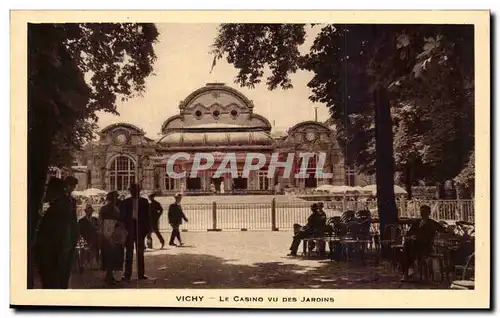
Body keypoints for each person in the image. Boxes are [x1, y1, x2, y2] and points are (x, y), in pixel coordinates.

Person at [34, 177, 73, 288]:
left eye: (48, 189)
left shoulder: (57, 209)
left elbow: (55, 236)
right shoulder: (60, 206)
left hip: (52, 257)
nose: (46, 192)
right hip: (55, 257)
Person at [401, 205, 447, 281]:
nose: (422, 213)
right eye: (421, 212)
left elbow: (443, 231)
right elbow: (409, 233)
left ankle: (410, 269)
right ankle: (408, 270)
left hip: (426, 246)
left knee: (408, 248)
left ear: (428, 213)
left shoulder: (432, 223)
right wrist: (411, 237)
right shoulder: (417, 222)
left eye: (424, 212)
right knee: (407, 246)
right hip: (414, 244)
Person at [120, 183, 152, 281]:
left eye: (136, 190)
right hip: (129, 229)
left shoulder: (144, 202)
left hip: (140, 229)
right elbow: (122, 217)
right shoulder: (125, 202)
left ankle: (141, 274)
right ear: (131, 191)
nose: (135, 192)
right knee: (129, 253)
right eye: (133, 190)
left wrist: (148, 231)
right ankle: (127, 275)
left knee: (140, 253)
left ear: (139, 191)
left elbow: (148, 217)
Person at [99, 191, 126, 285]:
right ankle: (110, 277)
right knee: (112, 256)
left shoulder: (105, 208)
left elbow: (100, 221)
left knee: (109, 256)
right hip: (112, 234)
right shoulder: (113, 209)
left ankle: (110, 276)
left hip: (108, 234)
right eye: (116, 197)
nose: (117, 199)